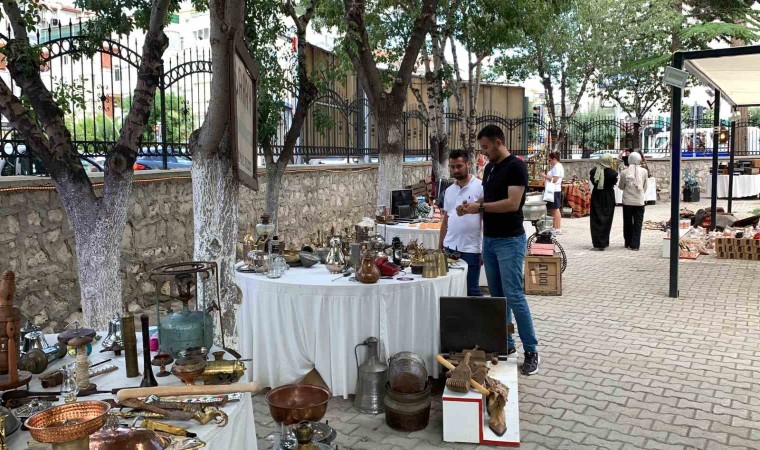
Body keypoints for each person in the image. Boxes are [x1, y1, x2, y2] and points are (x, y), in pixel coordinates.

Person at [456, 124, 540, 376]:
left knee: (514, 295)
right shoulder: (491, 168)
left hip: (510, 241)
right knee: (497, 297)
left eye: (485, 147)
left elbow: (512, 204)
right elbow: (490, 198)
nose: (483, 152)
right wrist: (472, 204)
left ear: (498, 143)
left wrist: (479, 208)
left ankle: (531, 350)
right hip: (490, 240)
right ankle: (506, 343)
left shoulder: (516, 167)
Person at [439, 150, 484, 296]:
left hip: (472, 249)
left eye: (459, 166)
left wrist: (484, 248)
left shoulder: (480, 187)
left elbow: (486, 218)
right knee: (450, 290)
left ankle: (482, 312)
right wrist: (440, 245)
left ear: (468, 164)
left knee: (471, 290)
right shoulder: (449, 190)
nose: (455, 170)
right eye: (452, 167)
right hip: (449, 248)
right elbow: (446, 219)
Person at [619, 152, 648, 251]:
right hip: (639, 201)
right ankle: (635, 245)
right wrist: (639, 193)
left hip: (627, 201)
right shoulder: (644, 171)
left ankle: (628, 242)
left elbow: (621, 186)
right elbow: (645, 187)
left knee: (627, 222)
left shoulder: (624, 172)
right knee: (638, 223)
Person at [589, 154, 618, 251]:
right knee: (607, 218)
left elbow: (593, 182)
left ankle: (597, 242)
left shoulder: (594, 171)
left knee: (595, 218)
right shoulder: (613, 173)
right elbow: (614, 183)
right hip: (608, 196)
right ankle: (604, 241)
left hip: (597, 195)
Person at [538, 152, 564, 235]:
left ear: (554, 159)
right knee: (553, 209)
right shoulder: (556, 166)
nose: (549, 162)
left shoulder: (557, 167)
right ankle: (554, 227)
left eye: (549, 160)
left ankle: (558, 228)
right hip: (553, 190)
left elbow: (554, 180)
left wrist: (544, 176)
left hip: (554, 190)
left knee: (555, 209)